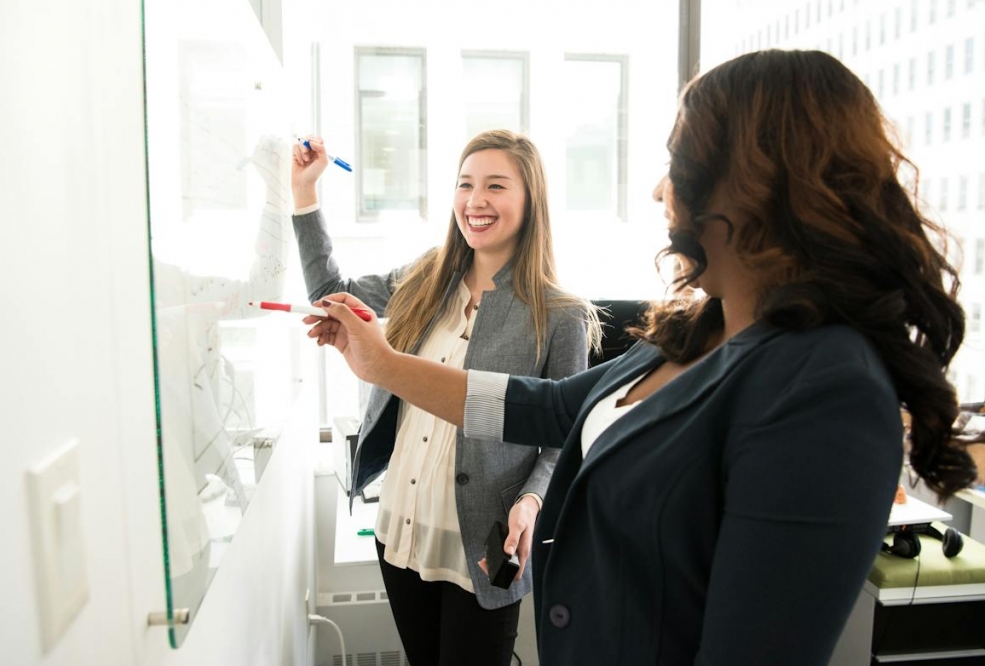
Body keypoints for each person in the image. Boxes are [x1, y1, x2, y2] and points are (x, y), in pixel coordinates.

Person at [304, 50, 977, 666]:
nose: (659, 191)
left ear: (752, 182)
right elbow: (550, 408)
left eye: (676, 161)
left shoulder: (824, 387)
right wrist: (382, 365)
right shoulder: (690, 332)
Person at [291, 129, 600, 666]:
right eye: (465, 184)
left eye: (496, 186)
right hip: (400, 530)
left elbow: (564, 437)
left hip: (482, 545)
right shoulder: (424, 278)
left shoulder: (561, 315)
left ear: (531, 201)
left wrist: (532, 501)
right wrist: (305, 193)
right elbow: (328, 294)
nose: (475, 201)